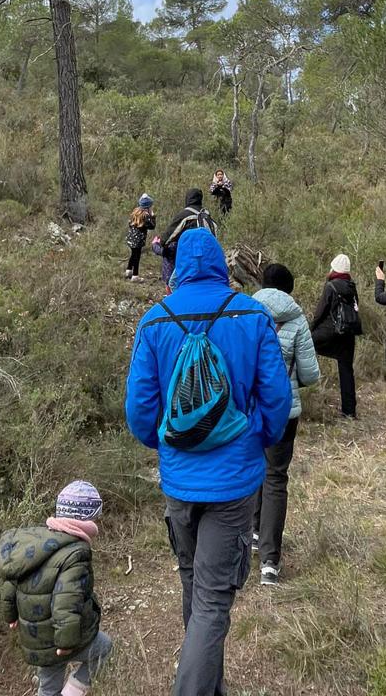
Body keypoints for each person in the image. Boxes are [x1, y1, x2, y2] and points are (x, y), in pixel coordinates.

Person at [125, 229, 292, 696]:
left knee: (194, 584)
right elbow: (277, 400)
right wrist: (255, 436)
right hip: (234, 482)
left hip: (179, 480)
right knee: (214, 599)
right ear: (222, 265)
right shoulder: (252, 314)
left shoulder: (154, 321)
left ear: (178, 269)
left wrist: (167, 444)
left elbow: (139, 412)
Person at [0, 480, 111, 696]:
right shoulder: (75, 553)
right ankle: (73, 692)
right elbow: (66, 600)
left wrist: (10, 615)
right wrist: (66, 642)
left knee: (48, 686)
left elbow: (11, 582)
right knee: (105, 649)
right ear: (87, 518)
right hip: (64, 638)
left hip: (36, 638)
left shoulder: (35, 545)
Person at [251, 264, 320, 586]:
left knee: (252, 472)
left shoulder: (244, 312)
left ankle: (251, 532)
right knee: (276, 477)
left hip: (248, 412)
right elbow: (310, 375)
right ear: (289, 290)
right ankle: (269, 562)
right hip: (284, 413)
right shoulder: (297, 319)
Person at [310, 254, 363, 420]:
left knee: (304, 346)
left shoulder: (331, 286)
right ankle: (349, 412)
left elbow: (320, 312)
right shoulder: (351, 286)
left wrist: (310, 329)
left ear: (334, 268)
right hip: (348, 333)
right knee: (346, 371)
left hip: (330, 332)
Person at [160, 188, 218, 268]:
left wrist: (160, 244)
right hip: (209, 256)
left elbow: (167, 238)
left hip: (190, 257)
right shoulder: (207, 216)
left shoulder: (185, 215)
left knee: (168, 249)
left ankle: (170, 279)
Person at [125, 193, 156, 282]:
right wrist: (153, 216)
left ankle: (128, 270)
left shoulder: (135, 212)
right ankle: (135, 276)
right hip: (138, 241)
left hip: (130, 239)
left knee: (133, 254)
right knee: (136, 257)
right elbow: (152, 226)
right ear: (148, 207)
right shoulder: (145, 216)